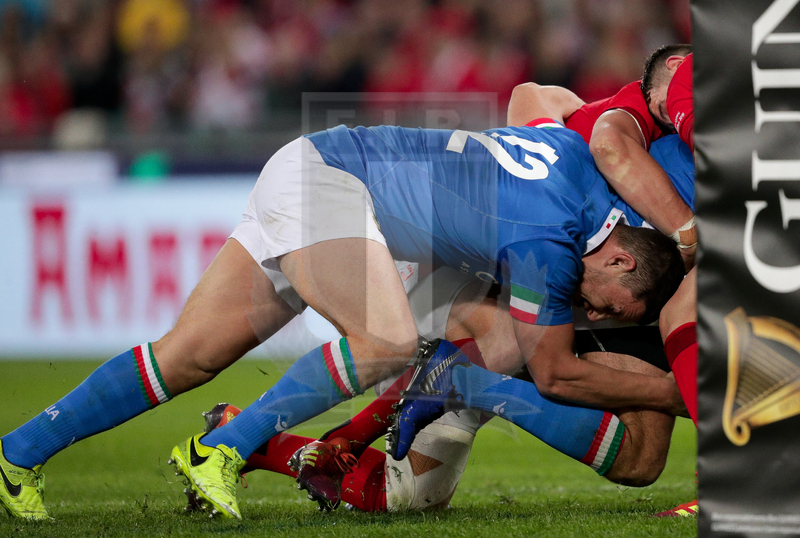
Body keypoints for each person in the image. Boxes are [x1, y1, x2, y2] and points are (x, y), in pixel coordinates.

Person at [189, 133, 695, 514]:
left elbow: (538, 104)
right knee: (510, 342)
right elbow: (540, 101)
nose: (599, 313)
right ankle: (446, 386)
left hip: (539, 286)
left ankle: (253, 437)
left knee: (407, 495)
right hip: (432, 267)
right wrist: (678, 396)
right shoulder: (628, 160)